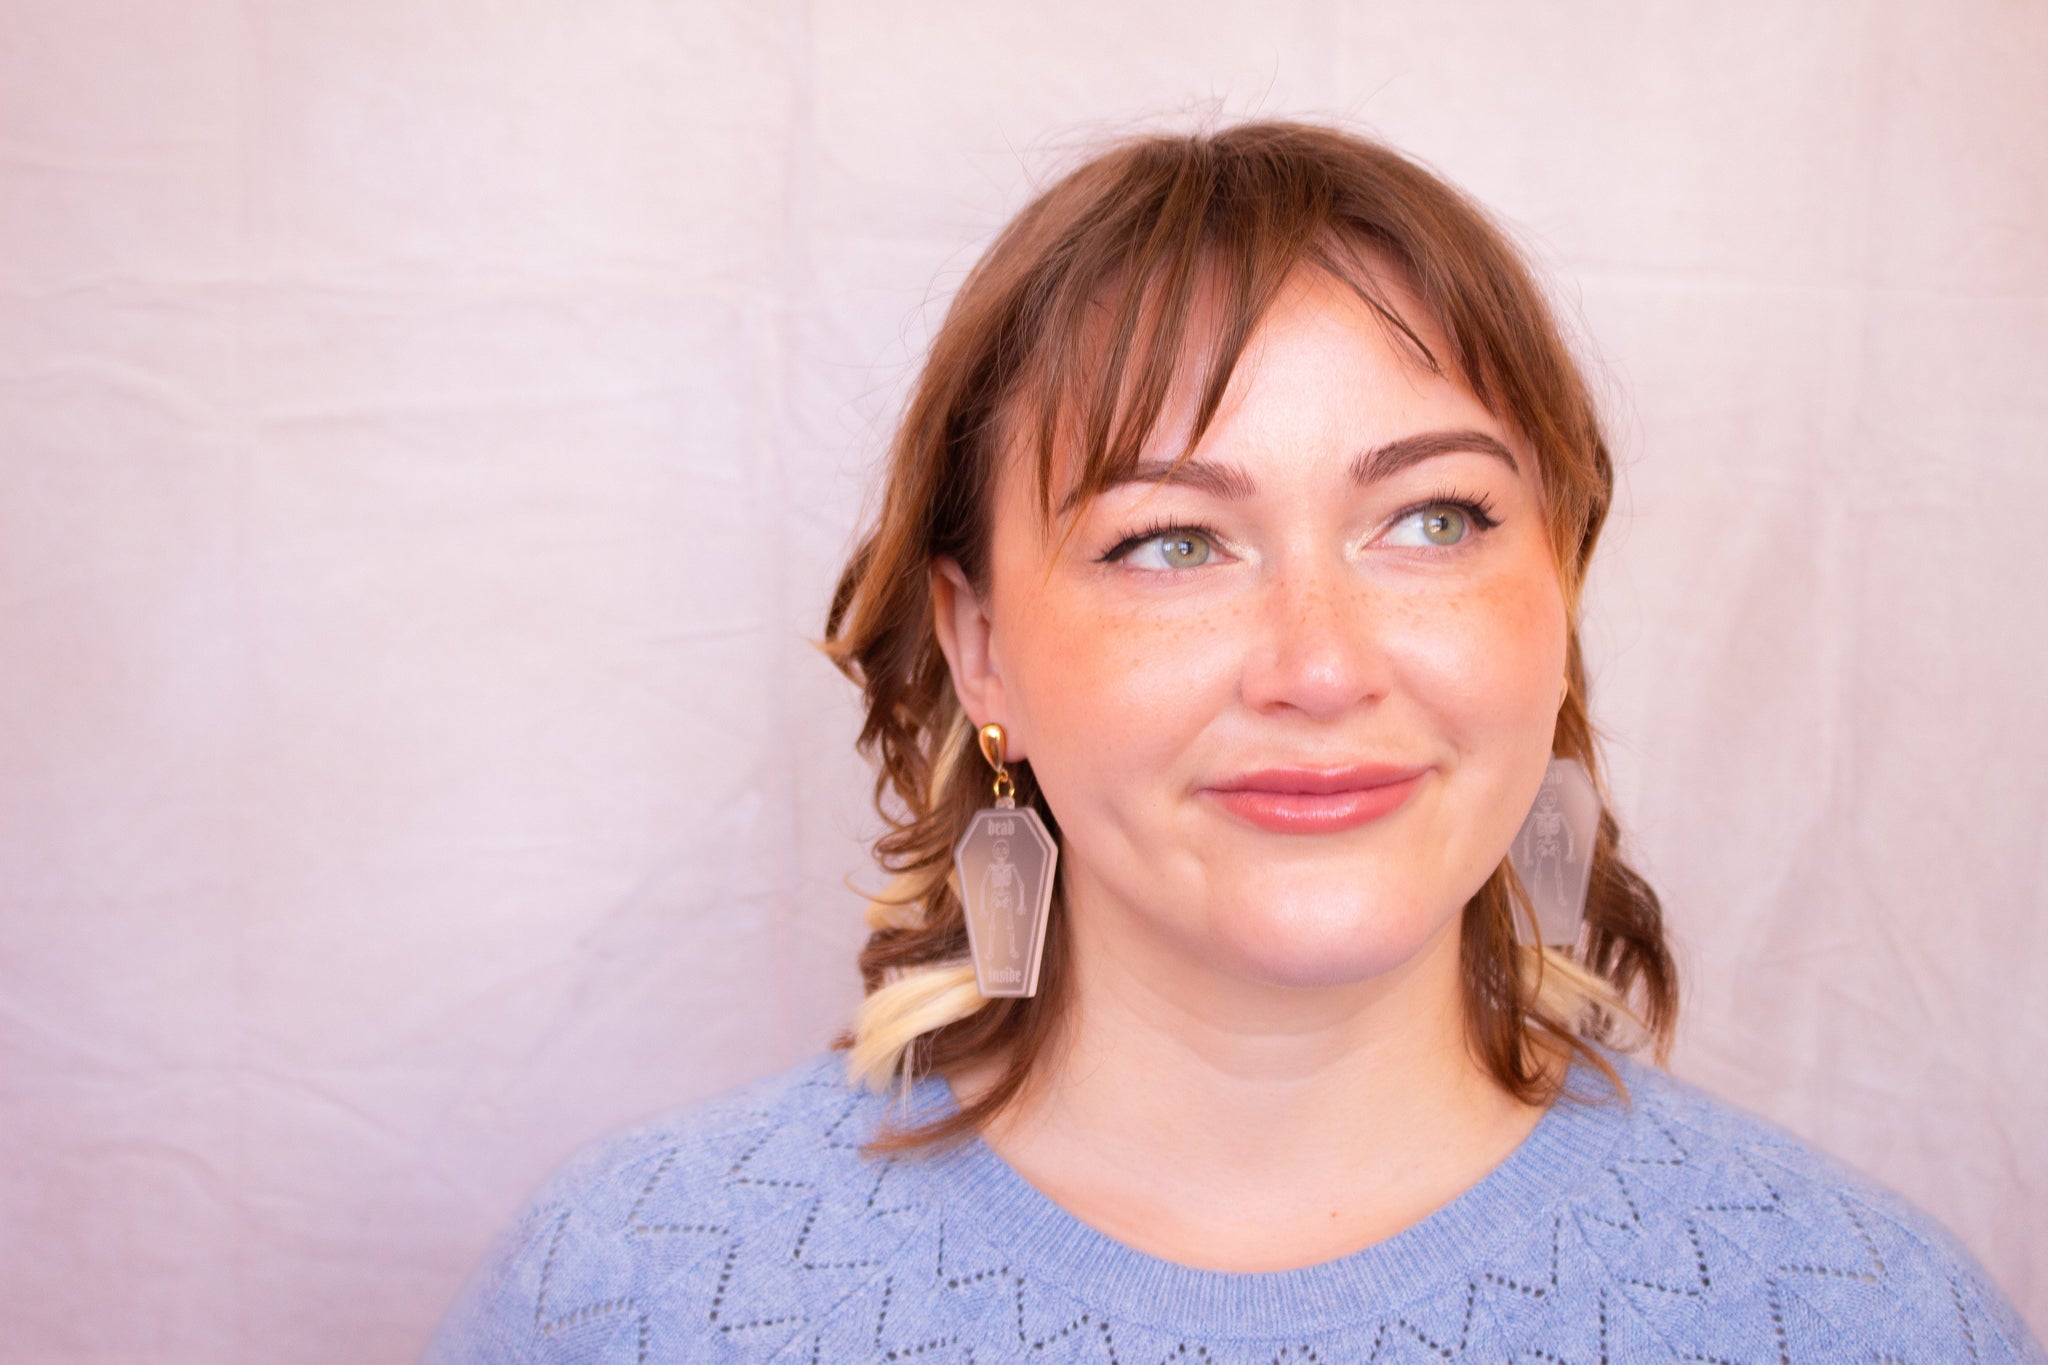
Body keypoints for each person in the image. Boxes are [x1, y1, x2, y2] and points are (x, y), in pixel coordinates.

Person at [422, 120, 2043, 1363]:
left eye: (1434, 518)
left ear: (1557, 606)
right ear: (979, 646)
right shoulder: (634, 1294)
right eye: (1171, 541)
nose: (1321, 665)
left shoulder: (1866, 1316)